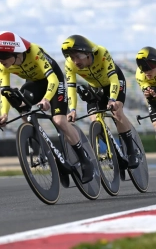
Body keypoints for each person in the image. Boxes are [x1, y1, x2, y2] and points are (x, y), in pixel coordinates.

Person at [0, 31, 94, 183]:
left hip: (54, 82)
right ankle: (52, 156)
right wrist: (3, 114)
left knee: (59, 121)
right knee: (20, 103)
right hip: (35, 84)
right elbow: (4, 91)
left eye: (3, 55)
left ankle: (85, 160)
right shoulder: (3, 65)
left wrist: (46, 99)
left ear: (17, 52)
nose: (1, 59)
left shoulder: (34, 52)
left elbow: (53, 80)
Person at [61, 34, 139, 169]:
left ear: (87, 53)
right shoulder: (70, 64)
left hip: (113, 82)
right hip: (95, 87)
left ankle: (132, 152)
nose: (75, 61)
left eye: (77, 57)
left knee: (117, 112)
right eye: (72, 58)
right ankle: (113, 150)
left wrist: (113, 99)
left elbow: (114, 80)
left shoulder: (101, 53)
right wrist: (72, 109)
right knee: (95, 119)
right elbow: (71, 88)